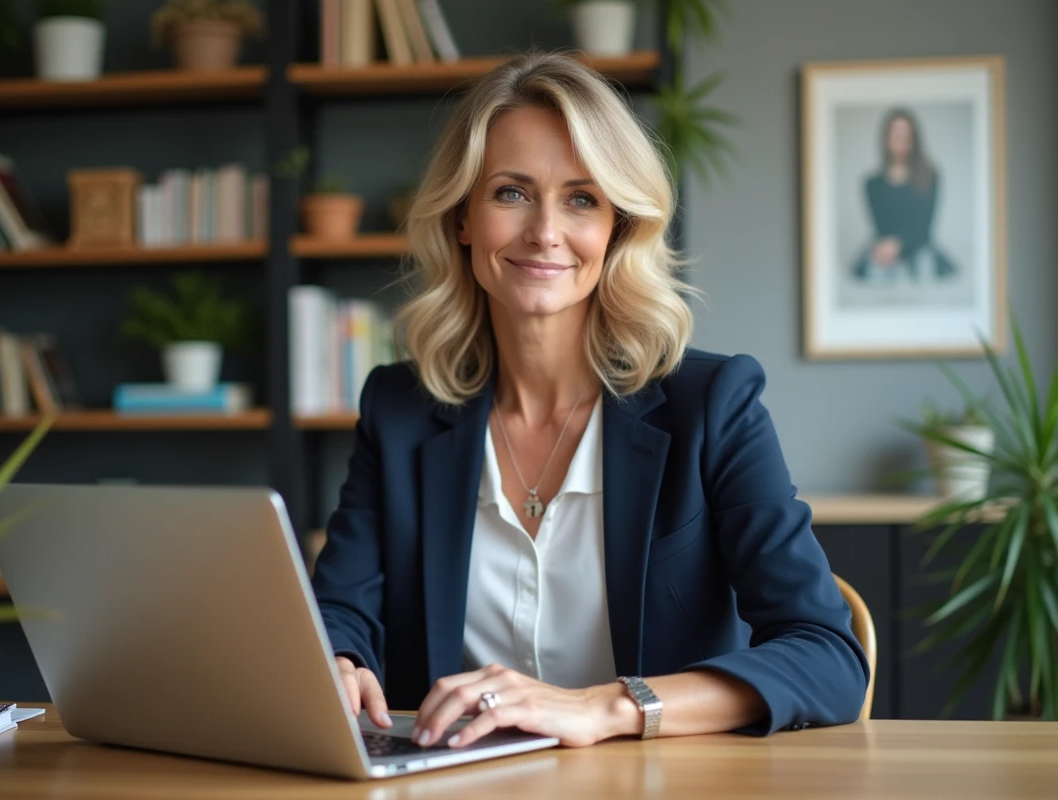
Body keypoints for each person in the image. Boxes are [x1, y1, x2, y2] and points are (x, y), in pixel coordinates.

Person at [310, 50, 868, 749]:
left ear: (617, 228)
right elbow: (340, 609)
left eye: (581, 198)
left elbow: (827, 656)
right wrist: (338, 662)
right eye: (511, 192)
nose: (545, 231)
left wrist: (607, 707)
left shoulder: (712, 405)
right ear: (461, 218)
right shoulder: (398, 409)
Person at [851, 107, 956, 283]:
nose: (901, 140)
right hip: (885, 249)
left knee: (924, 267)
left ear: (914, 139)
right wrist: (888, 247)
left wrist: (899, 245)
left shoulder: (930, 177)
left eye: (906, 135)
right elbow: (880, 228)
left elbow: (926, 229)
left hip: (919, 246)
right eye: (896, 134)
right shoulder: (872, 183)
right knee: (875, 272)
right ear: (886, 138)